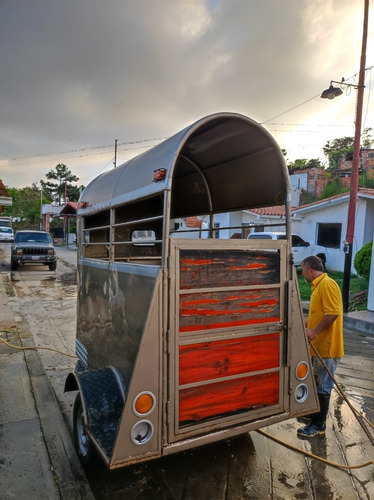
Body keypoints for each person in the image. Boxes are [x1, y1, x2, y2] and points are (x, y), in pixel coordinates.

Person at [297, 255, 344, 438]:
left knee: (323, 386)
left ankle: (319, 424)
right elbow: (320, 314)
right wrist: (304, 322)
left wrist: (315, 331)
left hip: (327, 347)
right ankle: (314, 414)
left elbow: (333, 313)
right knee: (316, 383)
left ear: (309, 268)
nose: (302, 275)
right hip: (318, 346)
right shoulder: (317, 286)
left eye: (302, 270)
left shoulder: (327, 284)